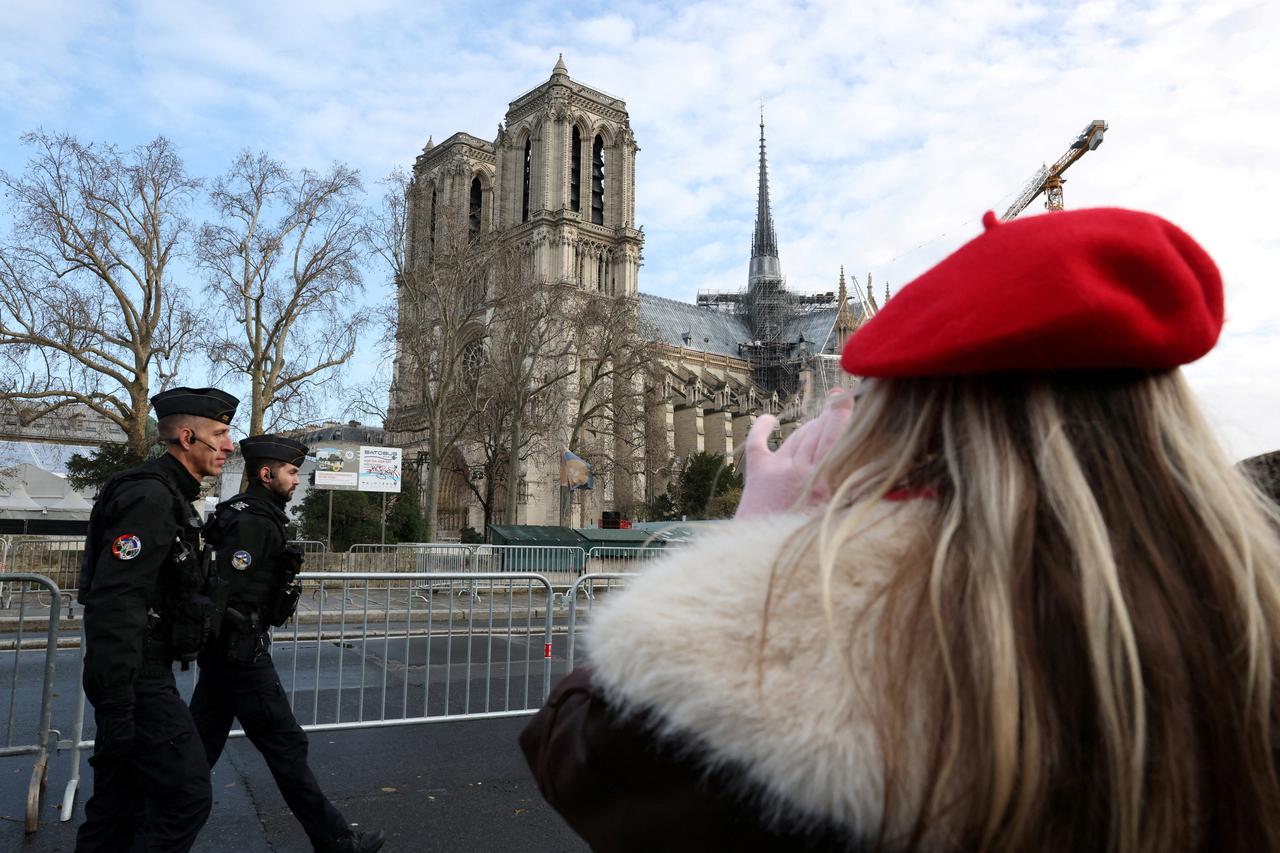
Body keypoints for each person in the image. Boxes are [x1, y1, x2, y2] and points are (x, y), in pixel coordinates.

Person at [519, 208, 1280, 852]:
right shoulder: (1242, 626)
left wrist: (756, 545)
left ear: (915, 429)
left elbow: (582, 758)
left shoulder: (852, 642)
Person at [189, 435, 384, 853]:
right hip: (241, 653)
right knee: (285, 745)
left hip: (228, 655)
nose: (297, 479)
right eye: (292, 471)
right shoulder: (254, 521)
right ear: (266, 473)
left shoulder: (249, 514)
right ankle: (335, 840)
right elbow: (229, 593)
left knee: (197, 752)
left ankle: (148, 828)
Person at [75, 386, 238, 853]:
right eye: (221, 434)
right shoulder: (150, 496)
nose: (229, 445)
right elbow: (116, 601)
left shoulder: (172, 495)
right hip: (136, 677)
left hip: (142, 671)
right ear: (188, 437)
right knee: (185, 796)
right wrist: (121, 702)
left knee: (117, 809)